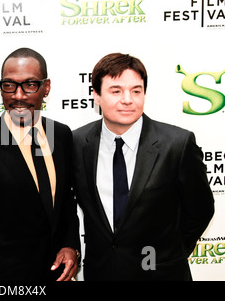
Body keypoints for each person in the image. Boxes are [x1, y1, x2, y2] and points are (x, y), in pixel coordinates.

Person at [72, 52, 215, 280]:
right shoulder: (76, 143)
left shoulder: (176, 144)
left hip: (162, 274)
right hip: (101, 274)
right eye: (116, 91)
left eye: (136, 91)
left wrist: (168, 255)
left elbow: (200, 210)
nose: (128, 99)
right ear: (96, 96)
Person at [0, 48, 80, 281]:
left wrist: (70, 245)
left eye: (30, 85)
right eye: (9, 85)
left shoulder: (60, 135)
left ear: (46, 87)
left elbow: (66, 201)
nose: (18, 95)